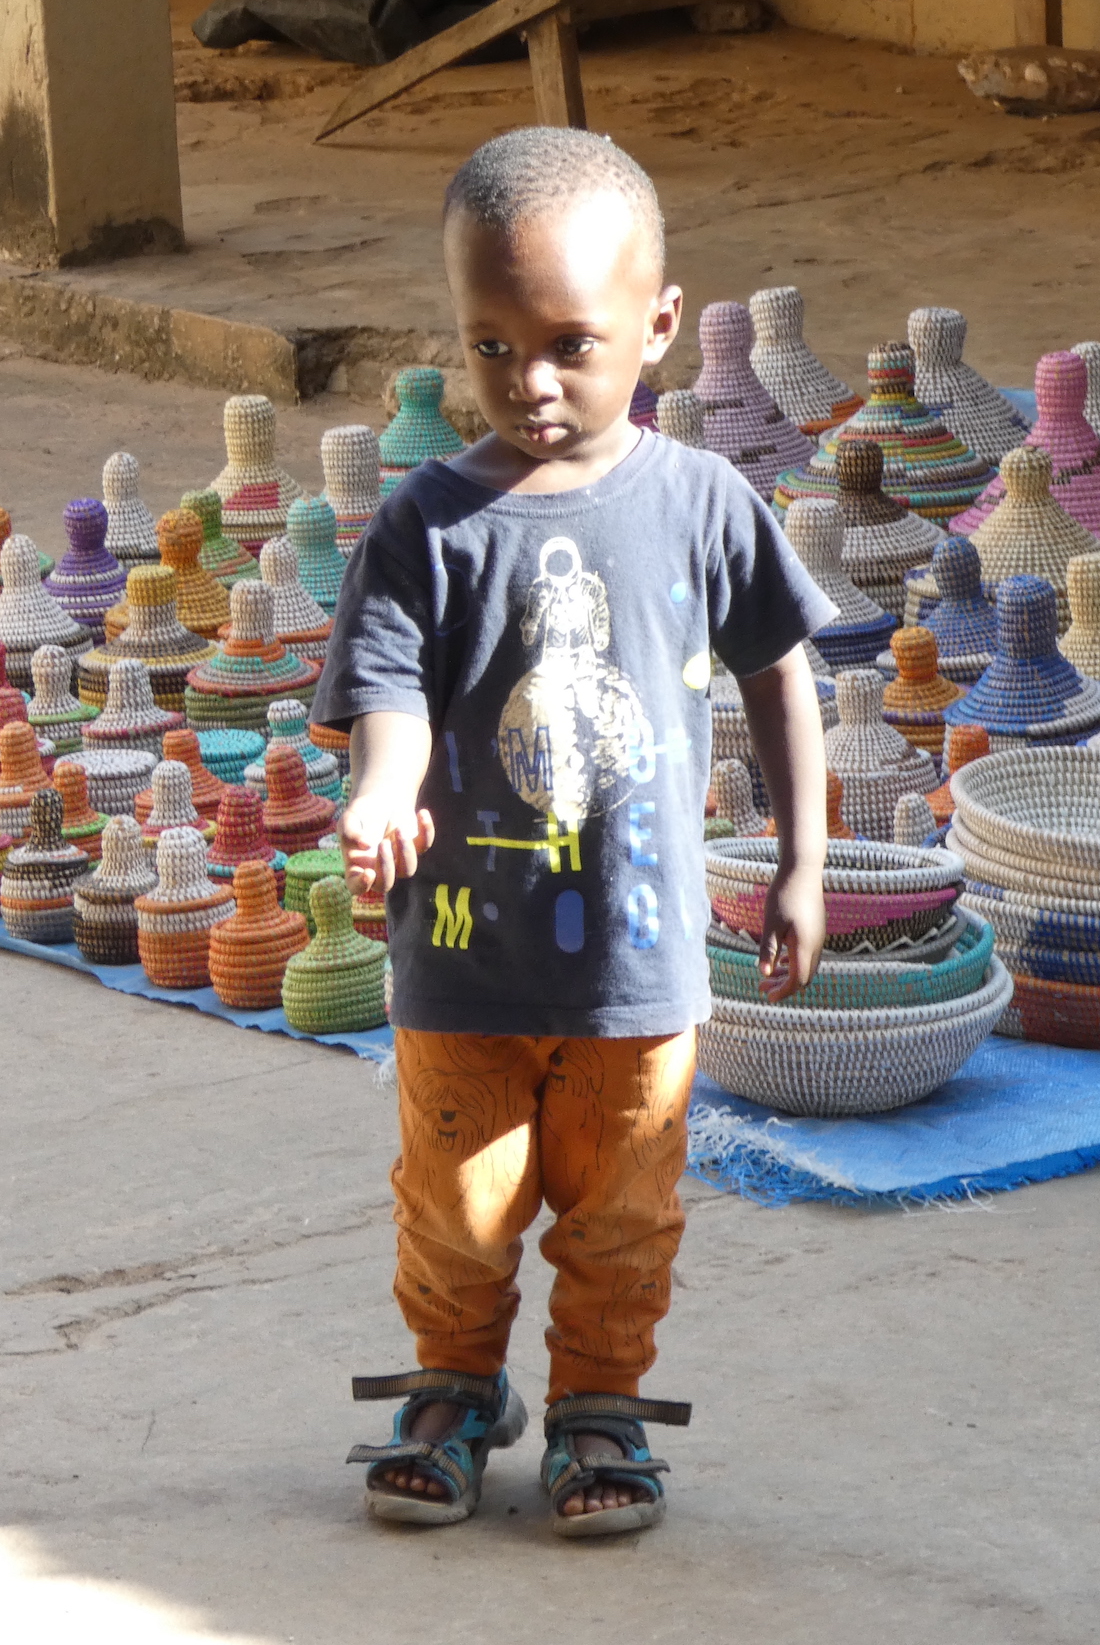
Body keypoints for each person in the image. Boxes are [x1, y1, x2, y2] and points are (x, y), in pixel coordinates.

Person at [315, 126, 832, 1538]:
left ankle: (601, 1403)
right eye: (490, 347)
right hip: (463, 967)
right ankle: (454, 1389)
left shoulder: (703, 503)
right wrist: (376, 796)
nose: (530, 385)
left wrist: (802, 861)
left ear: (661, 327)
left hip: (639, 969)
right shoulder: (425, 524)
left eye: (569, 345)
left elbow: (785, 667)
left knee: (622, 1213)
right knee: (457, 1205)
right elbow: (392, 703)